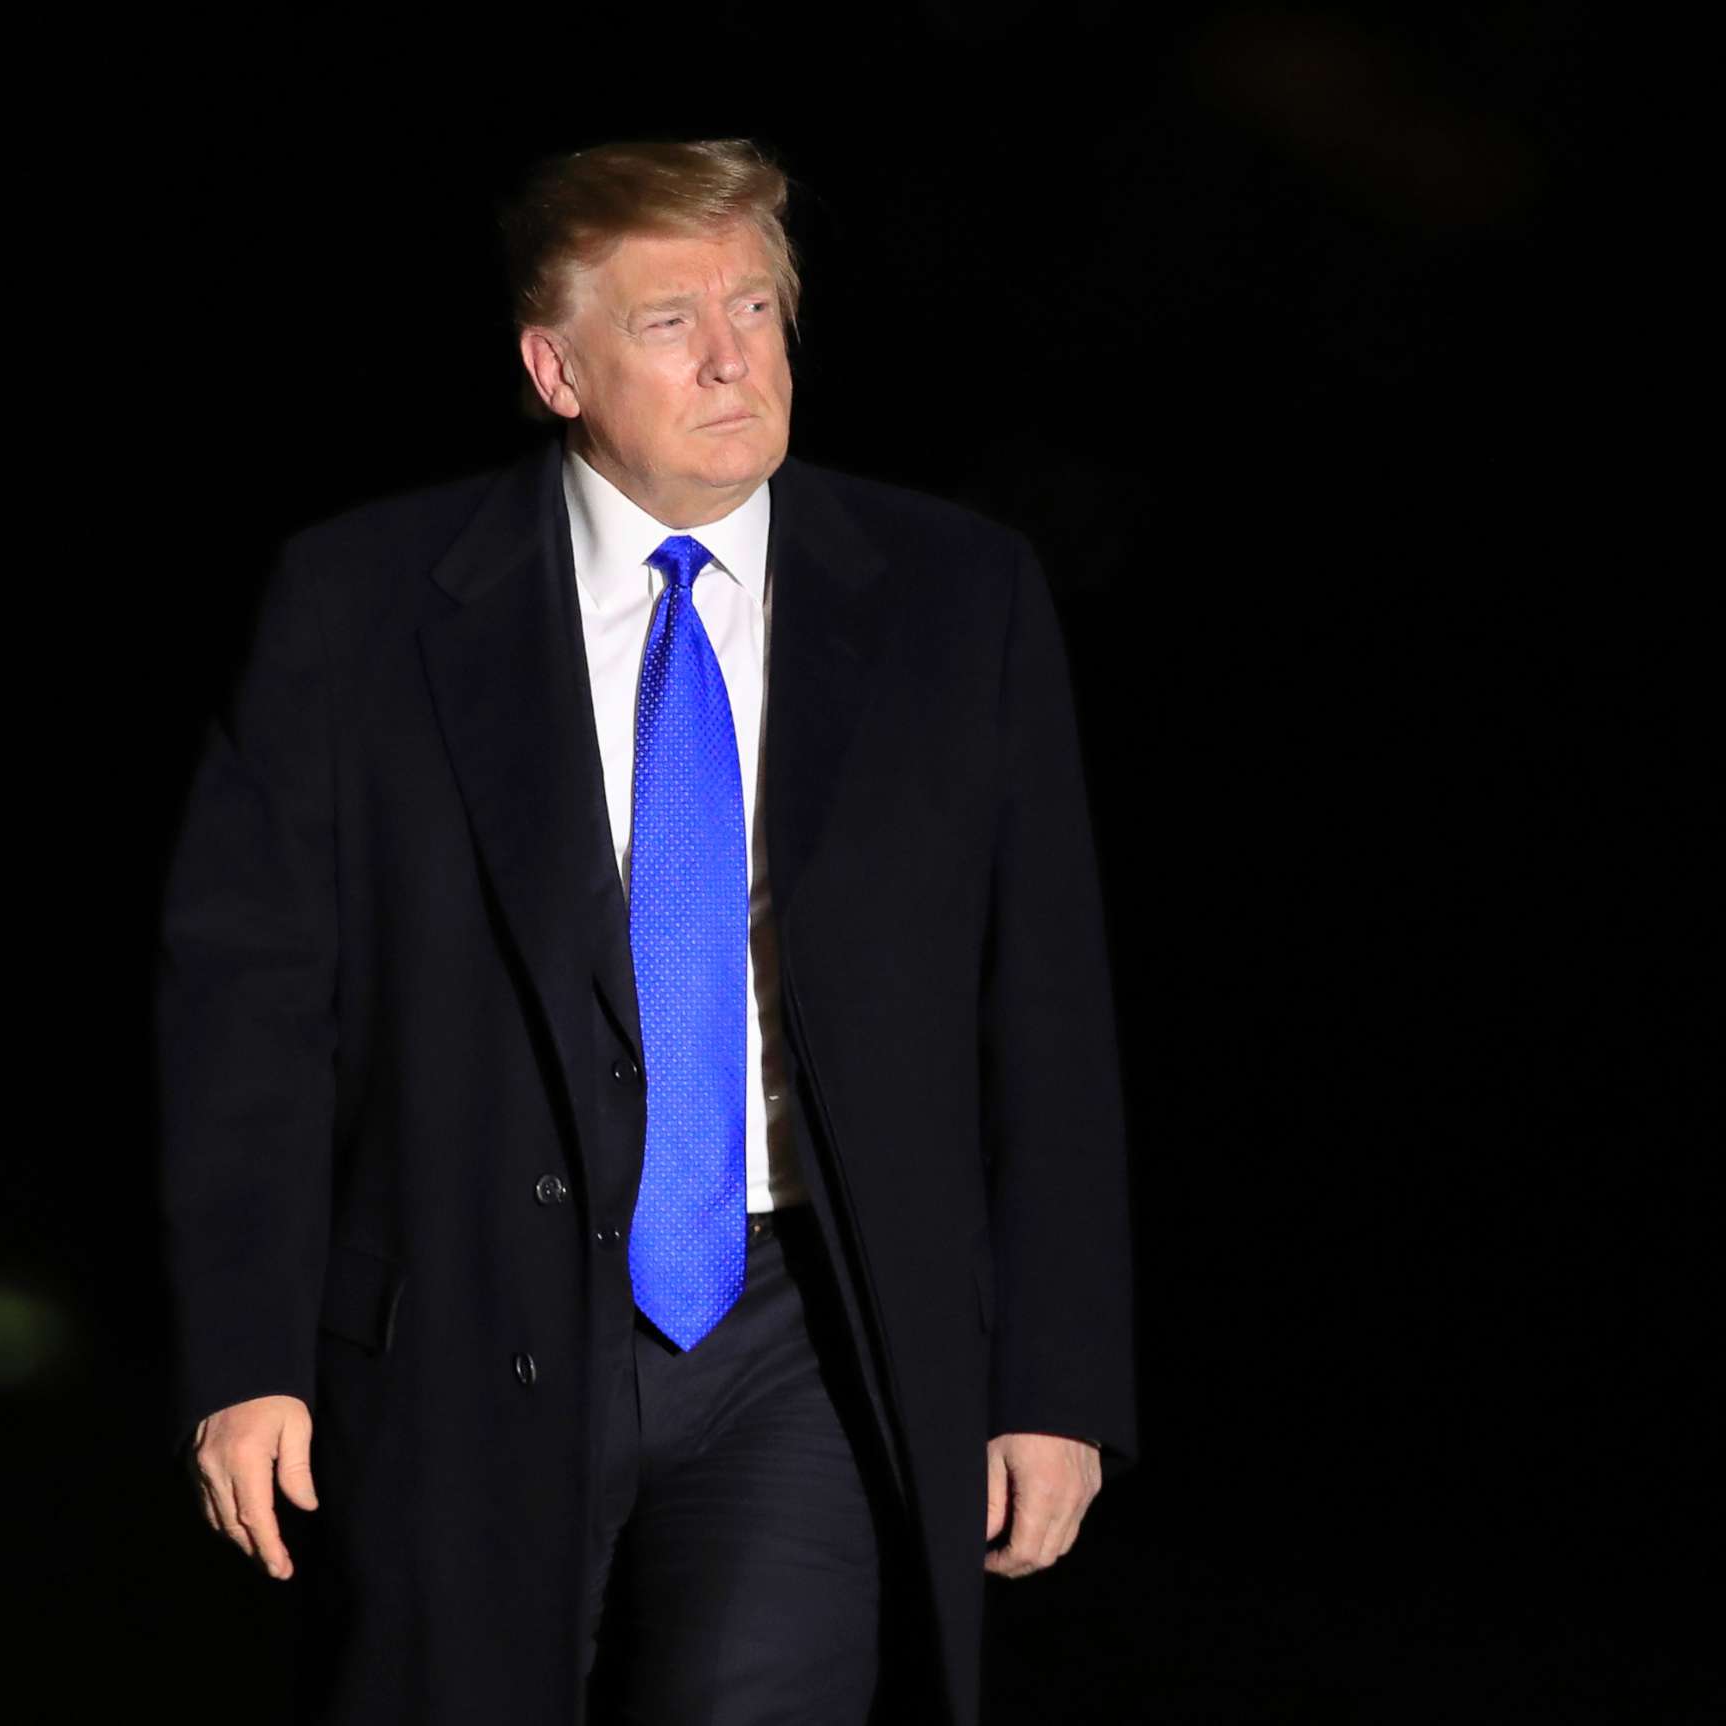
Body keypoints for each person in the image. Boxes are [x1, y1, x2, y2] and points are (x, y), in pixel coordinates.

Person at [155, 137, 1138, 1725]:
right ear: (556, 367)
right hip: (470, 1322)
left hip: (803, 1333)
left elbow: (1045, 1005)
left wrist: (1055, 1378)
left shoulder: (959, 601)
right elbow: (253, 1008)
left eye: (758, 304)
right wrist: (245, 1351)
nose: (736, 356)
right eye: (673, 321)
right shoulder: (362, 607)